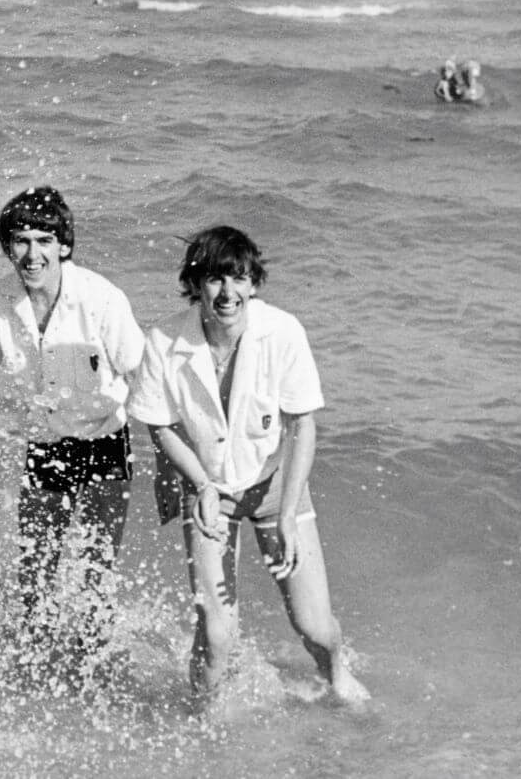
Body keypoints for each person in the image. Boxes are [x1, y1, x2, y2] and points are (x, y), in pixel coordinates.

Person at [128, 226, 369, 708]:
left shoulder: (283, 332)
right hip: (209, 490)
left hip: (277, 485)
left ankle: (336, 674)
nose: (227, 292)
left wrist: (287, 516)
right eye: (214, 279)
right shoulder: (163, 340)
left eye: (238, 278)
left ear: (253, 283)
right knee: (217, 635)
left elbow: (303, 425)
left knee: (314, 628)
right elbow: (161, 425)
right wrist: (198, 483)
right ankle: (203, 715)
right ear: (195, 285)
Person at [0, 187, 145, 660]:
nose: (32, 254)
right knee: (35, 569)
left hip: (105, 437)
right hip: (47, 441)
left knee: (97, 570)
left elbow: (144, 376)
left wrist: (169, 453)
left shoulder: (102, 298)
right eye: (21, 241)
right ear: (7, 247)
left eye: (44, 240)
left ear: (64, 245)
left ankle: (94, 664)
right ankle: (36, 663)